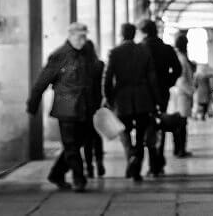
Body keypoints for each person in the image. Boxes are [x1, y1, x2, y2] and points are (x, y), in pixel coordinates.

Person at [26, 22, 95, 192]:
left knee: (77, 143)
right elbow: (43, 80)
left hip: (84, 107)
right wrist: (33, 103)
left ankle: (56, 174)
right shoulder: (59, 55)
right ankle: (79, 179)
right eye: (80, 36)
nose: (83, 40)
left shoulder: (87, 53)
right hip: (66, 107)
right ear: (71, 35)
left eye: (85, 36)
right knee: (71, 145)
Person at [103, 22, 159, 182]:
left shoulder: (115, 52)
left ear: (122, 34)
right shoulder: (144, 51)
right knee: (141, 135)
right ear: (134, 34)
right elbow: (152, 78)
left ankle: (131, 156)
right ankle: (136, 169)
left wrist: (109, 98)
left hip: (122, 99)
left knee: (124, 131)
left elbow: (107, 79)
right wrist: (156, 100)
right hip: (143, 98)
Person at [136, 17, 181, 175]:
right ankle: (159, 160)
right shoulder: (166, 49)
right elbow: (177, 70)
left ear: (144, 33)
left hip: (145, 94)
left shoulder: (140, 49)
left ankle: (153, 162)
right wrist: (168, 83)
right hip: (162, 92)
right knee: (160, 123)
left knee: (148, 127)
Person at [81, 39, 105, 179]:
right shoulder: (100, 65)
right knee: (97, 136)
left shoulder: (81, 66)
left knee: (87, 139)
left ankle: (89, 167)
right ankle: (100, 162)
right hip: (97, 105)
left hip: (84, 106)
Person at [169, 33, 194, 158]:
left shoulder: (180, 57)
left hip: (180, 95)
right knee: (180, 125)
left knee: (179, 124)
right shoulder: (181, 58)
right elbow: (181, 79)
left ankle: (179, 149)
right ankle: (180, 150)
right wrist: (191, 90)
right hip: (181, 95)